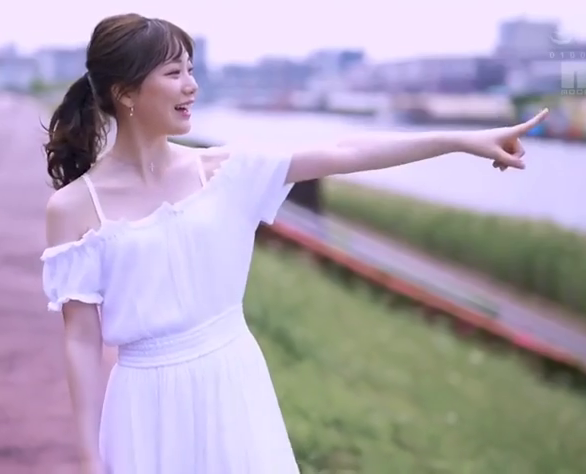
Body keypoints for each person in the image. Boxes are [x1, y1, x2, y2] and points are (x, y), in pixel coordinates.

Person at [40, 13, 549, 474]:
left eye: (191, 70)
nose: (192, 86)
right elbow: (81, 340)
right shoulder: (74, 208)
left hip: (232, 385)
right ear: (126, 92)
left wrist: (460, 140)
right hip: (142, 406)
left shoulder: (225, 172)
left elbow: (344, 150)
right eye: (173, 73)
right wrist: (89, 457)